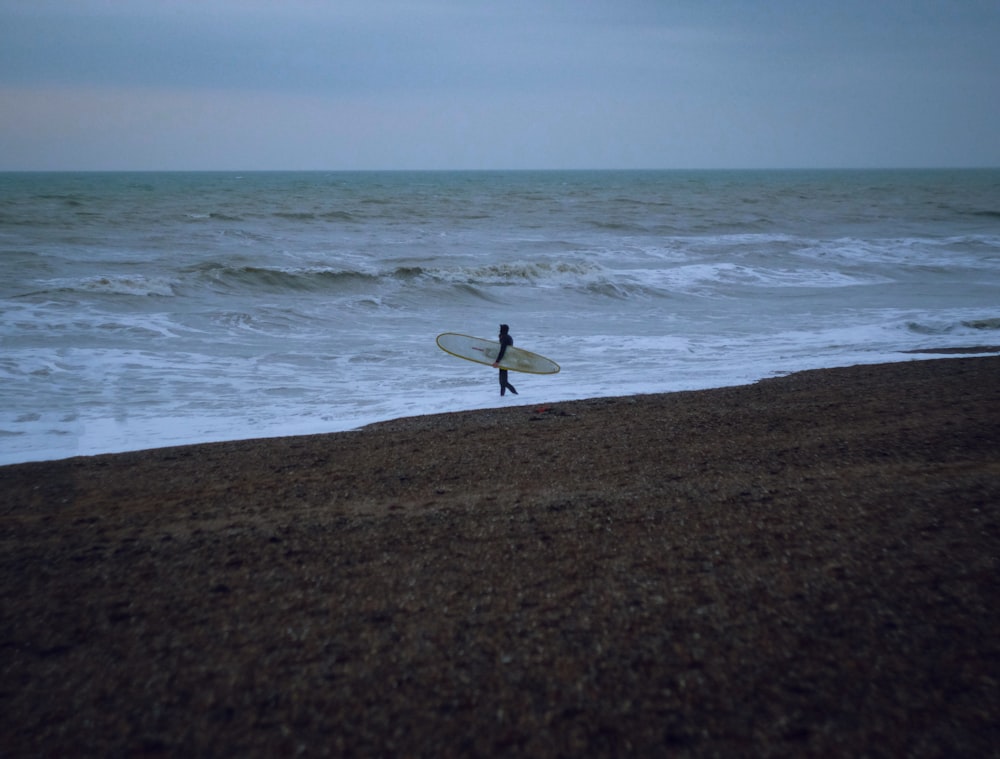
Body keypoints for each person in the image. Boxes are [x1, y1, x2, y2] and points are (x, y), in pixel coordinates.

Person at [492, 323, 518, 396]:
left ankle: (515, 394)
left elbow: (502, 350)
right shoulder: (508, 337)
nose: (499, 330)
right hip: (506, 360)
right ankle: (502, 397)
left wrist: (497, 361)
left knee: (503, 382)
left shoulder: (504, 338)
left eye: (500, 329)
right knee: (502, 382)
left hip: (504, 361)